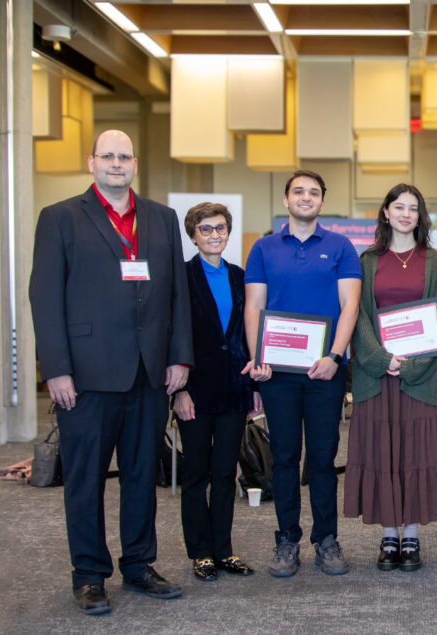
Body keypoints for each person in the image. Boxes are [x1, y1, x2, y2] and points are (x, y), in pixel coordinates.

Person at [29, 130, 193, 615]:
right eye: (108, 156)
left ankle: (140, 565)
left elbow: (177, 294)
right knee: (86, 479)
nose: (116, 164)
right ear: (91, 162)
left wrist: (179, 356)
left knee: (143, 474)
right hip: (85, 375)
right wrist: (55, 369)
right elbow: (45, 297)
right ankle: (89, 574)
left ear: (136, 164)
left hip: (148, 372)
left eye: (124, 157)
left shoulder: (162, 219)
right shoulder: (59, 217)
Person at [243, 170, 362, 578]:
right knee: (284, 457)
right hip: (276, 371)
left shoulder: (341, 246)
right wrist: (257, 356)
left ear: (322, 202)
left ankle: (326, 539)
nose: (306, 197)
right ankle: (287, 539)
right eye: (299, 191)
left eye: (314, 192)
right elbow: (253, 306)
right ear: (286, 198)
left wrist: (334, 355)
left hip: (324, 372)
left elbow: (350, 306)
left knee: (323, 459)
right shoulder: (263, 248)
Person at [345, 183, 437, 572]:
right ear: (386, 212)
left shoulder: (435, 260)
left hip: (419, 379)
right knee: (382, 453)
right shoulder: (367, 260)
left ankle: (411, 535)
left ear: (420, 216)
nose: (406, 214)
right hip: (377, 377)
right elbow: (357, 315)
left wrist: (410, 365)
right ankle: (388, 534)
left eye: (413, 208)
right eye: (399, 207)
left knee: (415, 453)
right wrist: (381, 359)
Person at [172, 202, 260, 581]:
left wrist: (254, 385)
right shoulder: (181, 277)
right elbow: (173, 337)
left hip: (235, 387)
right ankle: (200, 552)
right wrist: (179, 391)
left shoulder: (241, 277)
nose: (214, 235)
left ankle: (223, 550)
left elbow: (250, 333)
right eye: (206, 229)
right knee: (196, 473)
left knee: (225, 472)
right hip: (195, 389)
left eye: (220, 228)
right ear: (193, 235)